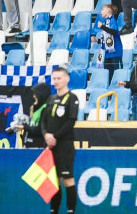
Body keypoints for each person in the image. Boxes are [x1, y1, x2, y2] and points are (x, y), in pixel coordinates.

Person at [42, 67, 80, 214]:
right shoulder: (51, 99)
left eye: (59, 78)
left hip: (65, 146)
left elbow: (71, 122)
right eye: (54, 79)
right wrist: (46, 135)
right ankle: (54, 210)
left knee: (68, 179)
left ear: (67, 79)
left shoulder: (72, 98)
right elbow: (43, 121)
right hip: (51, 146)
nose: (56, 81)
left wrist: (55, 137)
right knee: (54, 181)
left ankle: (71, 211)